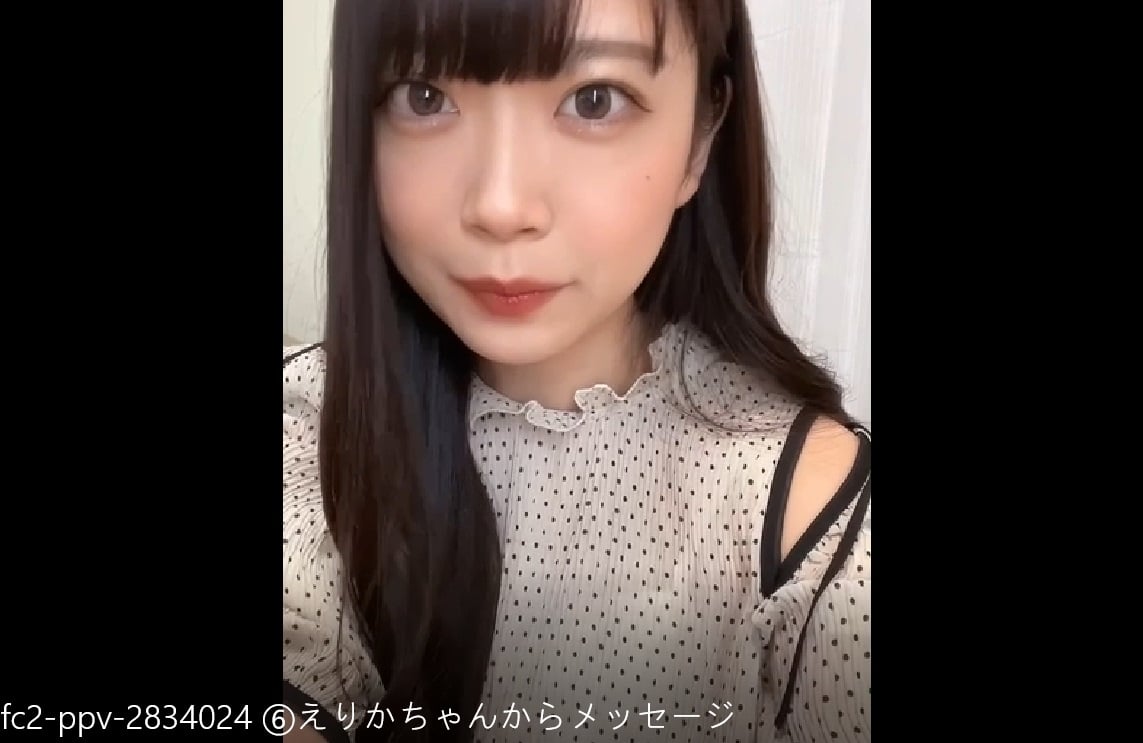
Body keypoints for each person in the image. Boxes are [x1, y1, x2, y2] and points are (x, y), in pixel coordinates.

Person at [282, 0, 870, 741]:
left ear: (701, 136)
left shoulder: (806, 526)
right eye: (423, 96)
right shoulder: (308, 423)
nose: (501, 206)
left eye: (595, 100)